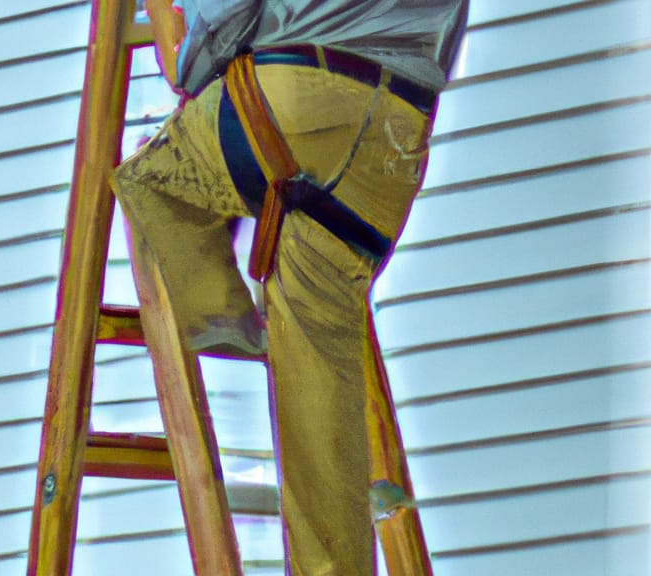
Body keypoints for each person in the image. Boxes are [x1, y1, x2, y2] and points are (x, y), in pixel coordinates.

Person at [112, 1, 468, 574]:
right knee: (316, 371)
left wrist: (168, 30)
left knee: (151, 179)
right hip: (396, 132)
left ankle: (220, 316)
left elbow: (209, 43)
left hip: (290, 100)